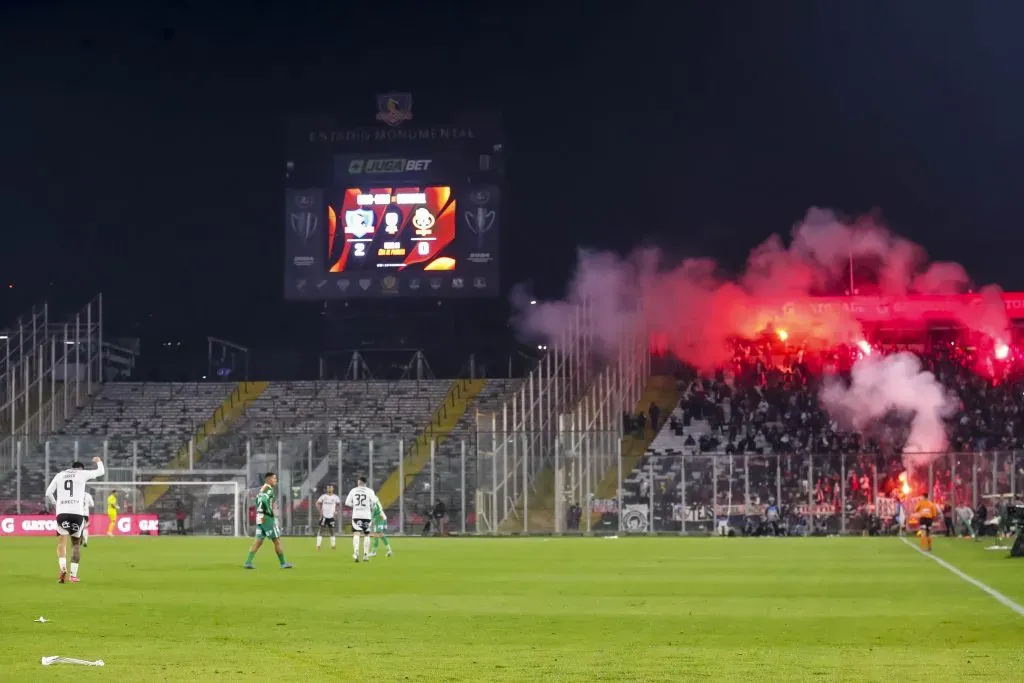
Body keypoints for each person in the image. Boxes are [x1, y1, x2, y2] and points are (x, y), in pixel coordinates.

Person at [44, 457, 105, 583]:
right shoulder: (82, 474)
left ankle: (63, 568)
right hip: (77, 514)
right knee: (76, 544)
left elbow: (48, 493)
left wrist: (56, 504)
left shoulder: (60, 475)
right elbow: (101, 472)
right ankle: (73, 575)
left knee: (61, 543)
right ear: (81, 469)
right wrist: (98, 461)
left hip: (62, 514)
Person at [243, 472, 293, 569]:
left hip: (260, 517)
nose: (276, 480)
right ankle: (283, 563)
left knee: (258, 541)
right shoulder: (269, 489)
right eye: (274, 478)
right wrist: (270, 512)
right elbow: (264, 500)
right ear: (268, 479)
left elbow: (257, 500)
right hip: (267, 518)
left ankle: (248, 562)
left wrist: (261, 510)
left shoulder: (262, 489)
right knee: (277, 540)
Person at [345, 476, 379, 563]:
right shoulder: (369, 491)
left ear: (359, 482)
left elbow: (347, 502)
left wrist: (355, 506)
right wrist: (370, 506)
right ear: (365, 483)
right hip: (366, 515)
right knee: (367, 534)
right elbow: (375, 501)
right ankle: (365, 555)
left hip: (356, 515)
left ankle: (356, 552)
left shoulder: (353, 490)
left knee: (356, 533)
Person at [315, 485, 342, 551]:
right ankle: (318, 546)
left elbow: (339, 505)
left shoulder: (335, 497)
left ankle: (333, 546)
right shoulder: (323, 496)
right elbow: (317, 503)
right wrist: (320, 511)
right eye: (328, 488)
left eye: (331, 488)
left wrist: (336, 511)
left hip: (331, 517)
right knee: (321, 530)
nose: (329, 489)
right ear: (326, 489)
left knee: (332, 531)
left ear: (333, 489)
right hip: (324, 516)